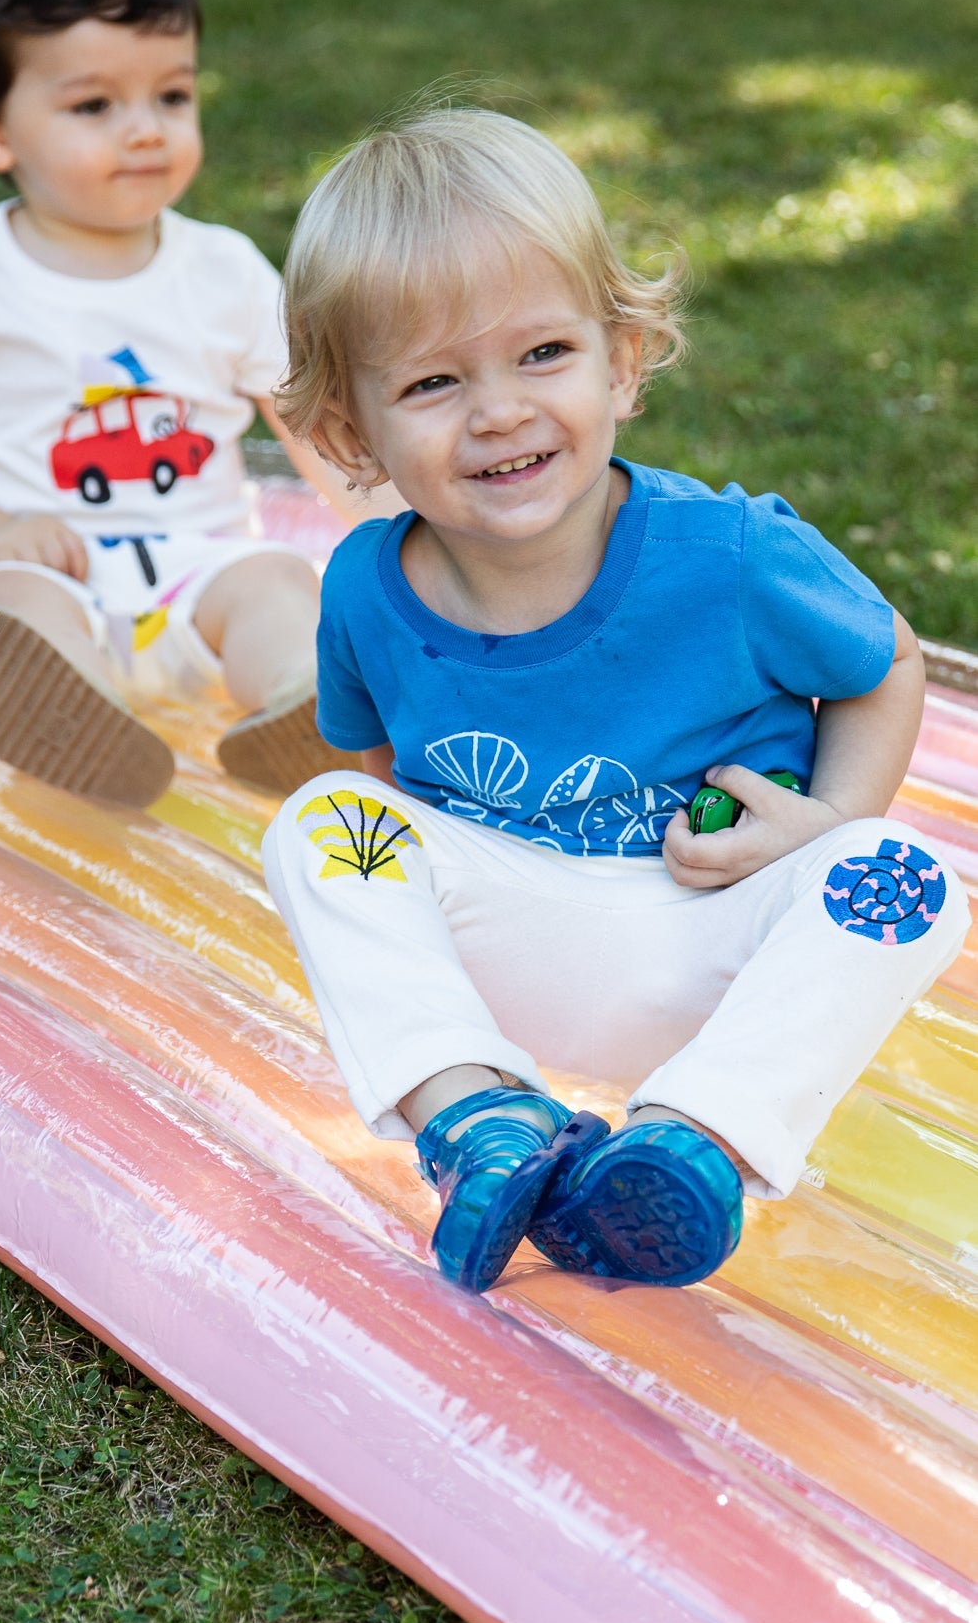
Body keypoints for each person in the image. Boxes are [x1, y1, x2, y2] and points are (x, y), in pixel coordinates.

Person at [262, 106, 968, 1295]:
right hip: (517, 952)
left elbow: (884, 661)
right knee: (322, 819)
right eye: (434, 381)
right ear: (349, 433)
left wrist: (832, 819)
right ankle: (477, 1118)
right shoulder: (363, 591)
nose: (498, 411)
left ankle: (691, 1143)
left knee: (907, 876)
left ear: (621, 362)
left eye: (542, 355)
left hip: (717, 938)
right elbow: (383, 783)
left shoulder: (727, 552)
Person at [0, 0, 396, 805]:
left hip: (198, 567)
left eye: (172, 95)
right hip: (39, 571)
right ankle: (68, 720)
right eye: (95, 104)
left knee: (276, 584)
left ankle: (308, 714)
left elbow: (312, 417)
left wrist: (390, 528)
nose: (147, 128)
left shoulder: (221, 267)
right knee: (6, 612)